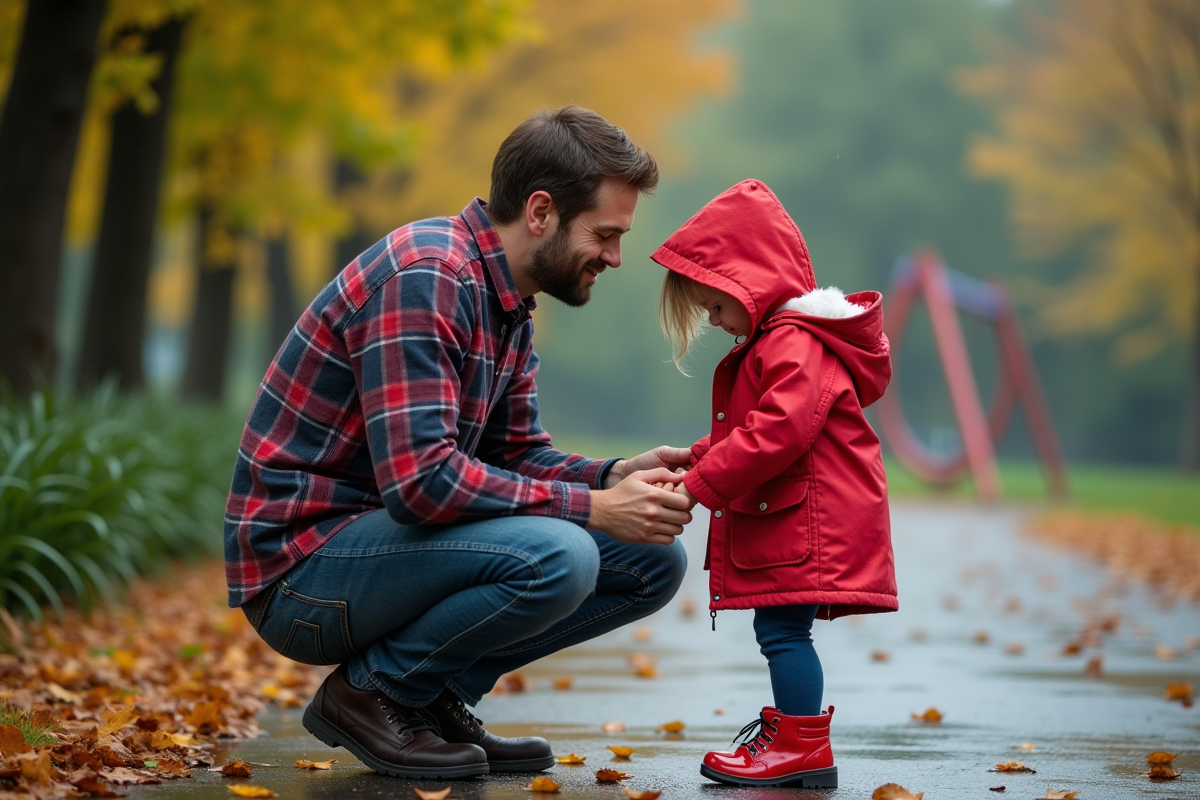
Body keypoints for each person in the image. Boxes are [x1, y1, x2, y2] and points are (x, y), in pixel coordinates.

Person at [223, 106, 694, 780]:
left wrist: (612, 475)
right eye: (606, 234)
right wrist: (590, 511)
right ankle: (372, 693)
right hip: (301, 576)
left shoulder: (505, 303)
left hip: (374, 549)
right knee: (562, 553)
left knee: (652, 561)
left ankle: (427, 699)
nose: (615, 258)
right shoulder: (427, 276)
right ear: (540, 212)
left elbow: (517, 455)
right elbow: (422, 486)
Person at [651, 179, 897, 789]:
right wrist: (698, 457)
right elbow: (755, 425)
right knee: (782, 630)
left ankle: (799, 746)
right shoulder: (785, 341)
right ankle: (795, 737)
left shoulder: (791, 340)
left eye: (714, 304)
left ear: (748, 281)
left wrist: (699, 485)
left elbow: (780, 429)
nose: (713, 319)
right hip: (802, 516)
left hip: (809, 522)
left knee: (783, 630)